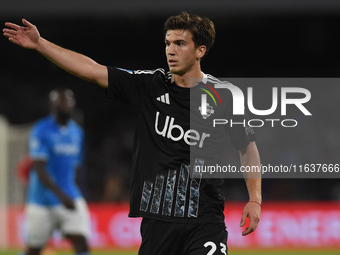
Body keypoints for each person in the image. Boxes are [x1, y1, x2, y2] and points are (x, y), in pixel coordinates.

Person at [4, 12, 261, 254]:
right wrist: (41, 44)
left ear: (200, 50)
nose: (170, 50)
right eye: (168, 43)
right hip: (158, 219)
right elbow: (93, 70)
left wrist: (255, 199)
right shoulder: (149, 85)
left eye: (180, 43)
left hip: (206, 216)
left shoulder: (225, 96)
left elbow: (246, 147)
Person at [22, 88, 91, 255]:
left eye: (69, 102)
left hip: (70, 196)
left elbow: (76, 168)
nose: (66, 106)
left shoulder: (77, 133)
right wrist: (61, 196)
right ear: (53, 106)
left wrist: (77, 193)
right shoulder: (41, 129)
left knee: (81, 241)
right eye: (62, 102)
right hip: (41, 200)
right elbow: (39, 168)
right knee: (34, 249)